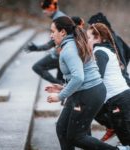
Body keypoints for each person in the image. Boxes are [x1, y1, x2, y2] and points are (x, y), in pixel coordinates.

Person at [45, 16, 130, 150]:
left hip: (91, 94)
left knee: (76, 136)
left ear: (62, 32)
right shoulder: (71, 44)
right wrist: (63, 87)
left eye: (53, 31)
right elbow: (82, 75)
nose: (51, 35)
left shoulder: (69, 49)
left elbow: (79, 78)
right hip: (84, 91)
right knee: (62, 129)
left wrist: (60, 96)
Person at [87, 12, 130, 141]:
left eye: (88, 37)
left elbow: (97, 78)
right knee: (125, 136)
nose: (86, 40)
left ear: (98, 37)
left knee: (125, 137)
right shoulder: (104, 47)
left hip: (119, 96)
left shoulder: (100, 52)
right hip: (119, 95)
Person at [24, 0, 66, 84]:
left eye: (45, 9)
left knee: (37, 67)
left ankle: (59, 84)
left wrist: (37, 48)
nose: (43, 12)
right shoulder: (59, 16)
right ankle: (60, 85)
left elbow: (53, 41)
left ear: (51, 8)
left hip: (61, 54)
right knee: (61, 80)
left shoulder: (58, 18)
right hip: (62, 53)